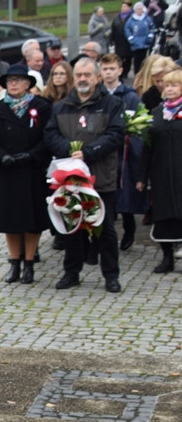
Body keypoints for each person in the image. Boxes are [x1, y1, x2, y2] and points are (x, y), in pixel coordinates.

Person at [43, 57, 126, 293]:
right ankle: (71, 272)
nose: (82, 79)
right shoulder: (61, 107)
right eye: (79, 74)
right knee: (73, 227)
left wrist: (88, 153)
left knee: (105, 228)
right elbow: (50, 135)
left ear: (97, 77)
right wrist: (70, 151)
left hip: (101, 177)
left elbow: (116, 134)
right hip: (69, 180)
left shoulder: (112, 104)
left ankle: (111, 275)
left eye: (87, 75)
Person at [0, 64, 53, 285]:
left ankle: (29, 263)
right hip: (7, 172)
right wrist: (1, 157)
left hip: (31, 170)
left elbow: (48, 138)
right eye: (10, 80)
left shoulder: (42, 107)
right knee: (9, 219)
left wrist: (32, 156)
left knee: (32, 221)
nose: (13, 83)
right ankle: (14, 262)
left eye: (18, 80)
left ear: (28, 84)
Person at [98, 53, 146, 253]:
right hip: (103, 150)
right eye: (105, 69)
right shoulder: (98, 94)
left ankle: (129, 227)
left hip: (124, 150)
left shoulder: (130, 96)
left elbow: (140, 122)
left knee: (124, 188)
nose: (108, 73)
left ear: (120, 71)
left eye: (112, 69)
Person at [139, 68, 182, 273]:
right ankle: (166, 258)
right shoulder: (156, 113)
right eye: (168, 84)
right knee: (163, 215)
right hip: (161, 172)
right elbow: (147, 147)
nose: (170, 88)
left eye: (175, 85)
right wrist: (141, 176)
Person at [126, 2, 155, 77]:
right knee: (136, 60)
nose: (139, 10)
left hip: (145, 42)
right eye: (138, 9)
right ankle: (137, 74)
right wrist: (131, 39)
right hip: (135, 44)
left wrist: (150, 36)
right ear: (135, 10)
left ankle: (143, 74)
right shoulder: (131, 20)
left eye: (140, 9)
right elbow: (127, 29)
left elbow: (152, 27)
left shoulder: (147, 19)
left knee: (143, 59)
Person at [111, 1, 135, 77]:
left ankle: (125, 72)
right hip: (119, 40)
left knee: (128, 57)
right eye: (122, 6)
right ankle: (119, 71)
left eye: (125, 6)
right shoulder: (117, 16)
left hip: (128, 41)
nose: (123, 8)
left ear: (129, 7)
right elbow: (113, 27)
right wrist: (112, 39)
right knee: (118, 57)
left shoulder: (133, 16)